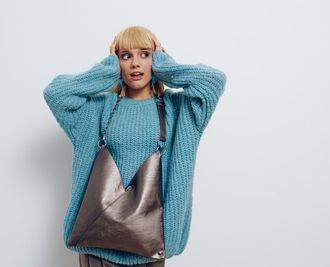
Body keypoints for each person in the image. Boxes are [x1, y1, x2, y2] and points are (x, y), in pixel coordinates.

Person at [43, 25, 227, 266]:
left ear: (156, 58)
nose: (135, 64)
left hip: (150, 246)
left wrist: (166, 67)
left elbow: (213, 81)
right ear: (116, 61)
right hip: (99, 244)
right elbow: (55, 93)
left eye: (145, 54)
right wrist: (107, 71)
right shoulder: (97, 110)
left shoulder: (180, 110)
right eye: (125, 56)